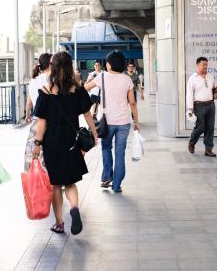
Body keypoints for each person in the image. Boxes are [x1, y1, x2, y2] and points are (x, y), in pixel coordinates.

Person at [32, 51, 97, 235]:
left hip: (52, 142)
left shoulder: (45, 92)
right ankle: (74, 209)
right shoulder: (77, 90)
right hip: (71, 141)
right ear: (69, 67)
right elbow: (86, 113)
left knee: (55, 184)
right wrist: (93, 132)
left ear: (53, 67)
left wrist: (37, 144)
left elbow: (42, 122)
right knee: (69, 182)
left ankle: (59, 223)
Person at [85, 51, 141, 192]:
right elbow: (133, 103)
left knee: (106, 148)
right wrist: (137, 122)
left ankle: (106, 177)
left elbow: (85, 88)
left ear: (109, 64)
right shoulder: (127, 79)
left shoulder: (102, 77)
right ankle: (116, 185)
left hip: (107, 122)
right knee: (120, 153)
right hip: (124, 122)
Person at [186, 57, 217, 157]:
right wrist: (190, 109)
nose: (205, 66)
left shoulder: (210, 77)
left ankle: (208, 149)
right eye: (203, 64)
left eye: (206, 65)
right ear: (198, 65)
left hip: (210, 104)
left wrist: (216, 95)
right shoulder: (192, 79)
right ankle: (192, 142)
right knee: (200, 127)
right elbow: (189, 95)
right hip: (198, 106)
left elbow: (213, 91)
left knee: (210, 127)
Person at [24, 53, 52, 171]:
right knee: (49, 153)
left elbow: (29, 101)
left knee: (33, 152)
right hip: (50, 120)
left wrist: (27, 114)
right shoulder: (53, 79)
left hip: (36, 119)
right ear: (50, 64)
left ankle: (33, 179)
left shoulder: (33, 81)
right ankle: (49, 181)